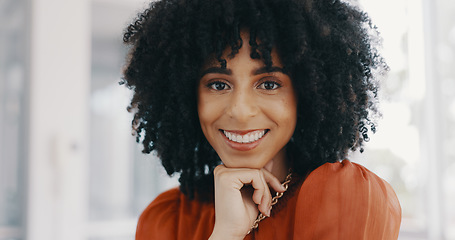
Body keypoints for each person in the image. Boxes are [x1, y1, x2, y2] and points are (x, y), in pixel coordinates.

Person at [121, 0, 402, 239]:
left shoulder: (345, 195)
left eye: (268, 84)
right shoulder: (167, 220)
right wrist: (226, 233)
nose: (241, 112)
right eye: (219, 85)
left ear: (306, 92)